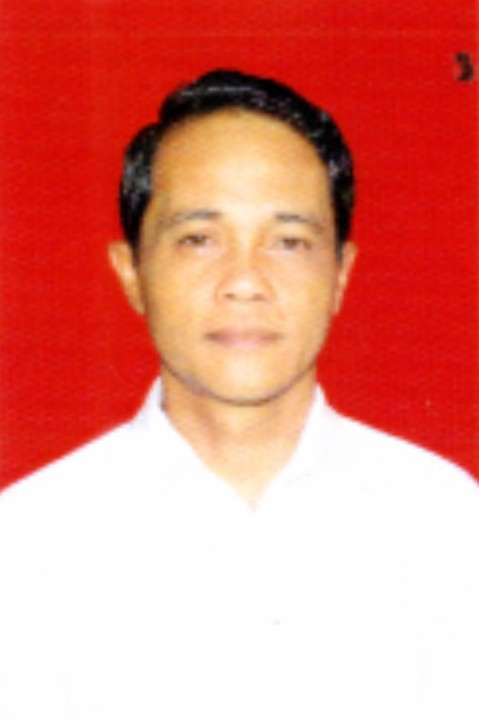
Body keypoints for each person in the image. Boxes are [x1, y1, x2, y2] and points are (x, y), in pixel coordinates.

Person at [0, 69, 477, 721]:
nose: (245, 281)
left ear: (340, 274)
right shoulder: (28, 542)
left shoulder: (446, 522)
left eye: (289, 241)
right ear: (131, 271)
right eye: (198, 239)